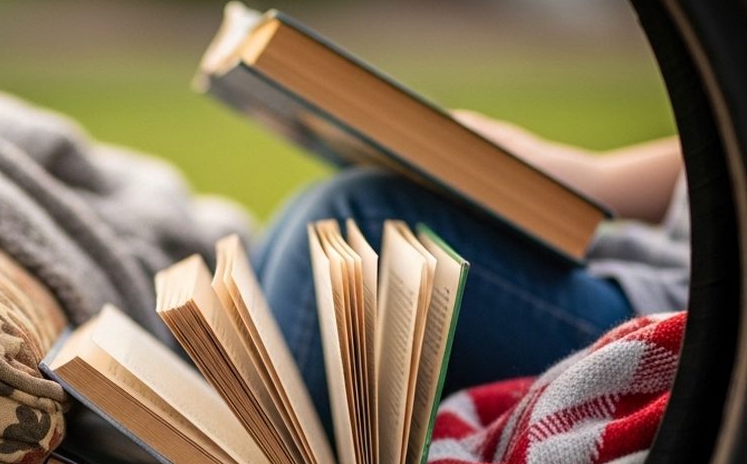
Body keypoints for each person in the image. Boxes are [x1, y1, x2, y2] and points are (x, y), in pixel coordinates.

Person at [252, 115, 688, 432]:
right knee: (321, 209)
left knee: (358, 222)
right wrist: (555, 165)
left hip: (671, 314)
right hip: (642, 262)